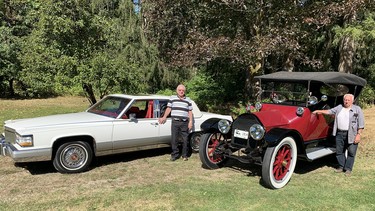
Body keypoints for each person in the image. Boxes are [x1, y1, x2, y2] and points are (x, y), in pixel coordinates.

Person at [313, 94, 364, 176]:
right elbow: (329, 111)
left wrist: (359, 134)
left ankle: (348, 169)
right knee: (339, 151)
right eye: (345, 100)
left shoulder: (357, 109)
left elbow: (361, 124)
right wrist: (318, 111)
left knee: (351, 152)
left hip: (352, 134)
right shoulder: (339, 107)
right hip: (339, 133)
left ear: (352, 101)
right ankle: (341, 166)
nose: (346, 101)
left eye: (348, 100)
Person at [159, 84, 193, 161]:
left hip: (184, 122)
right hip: (175, 122)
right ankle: (174, 155)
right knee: (174, 139)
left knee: (185, 139)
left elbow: (190, 112)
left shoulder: (188, 100)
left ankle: (184, 155)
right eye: (179, 90)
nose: (181, 91)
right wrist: (164, 117)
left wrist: (190, 122)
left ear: (185, 91)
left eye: (183, 90)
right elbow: (168, 108)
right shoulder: (172, 98)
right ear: (177, 91)